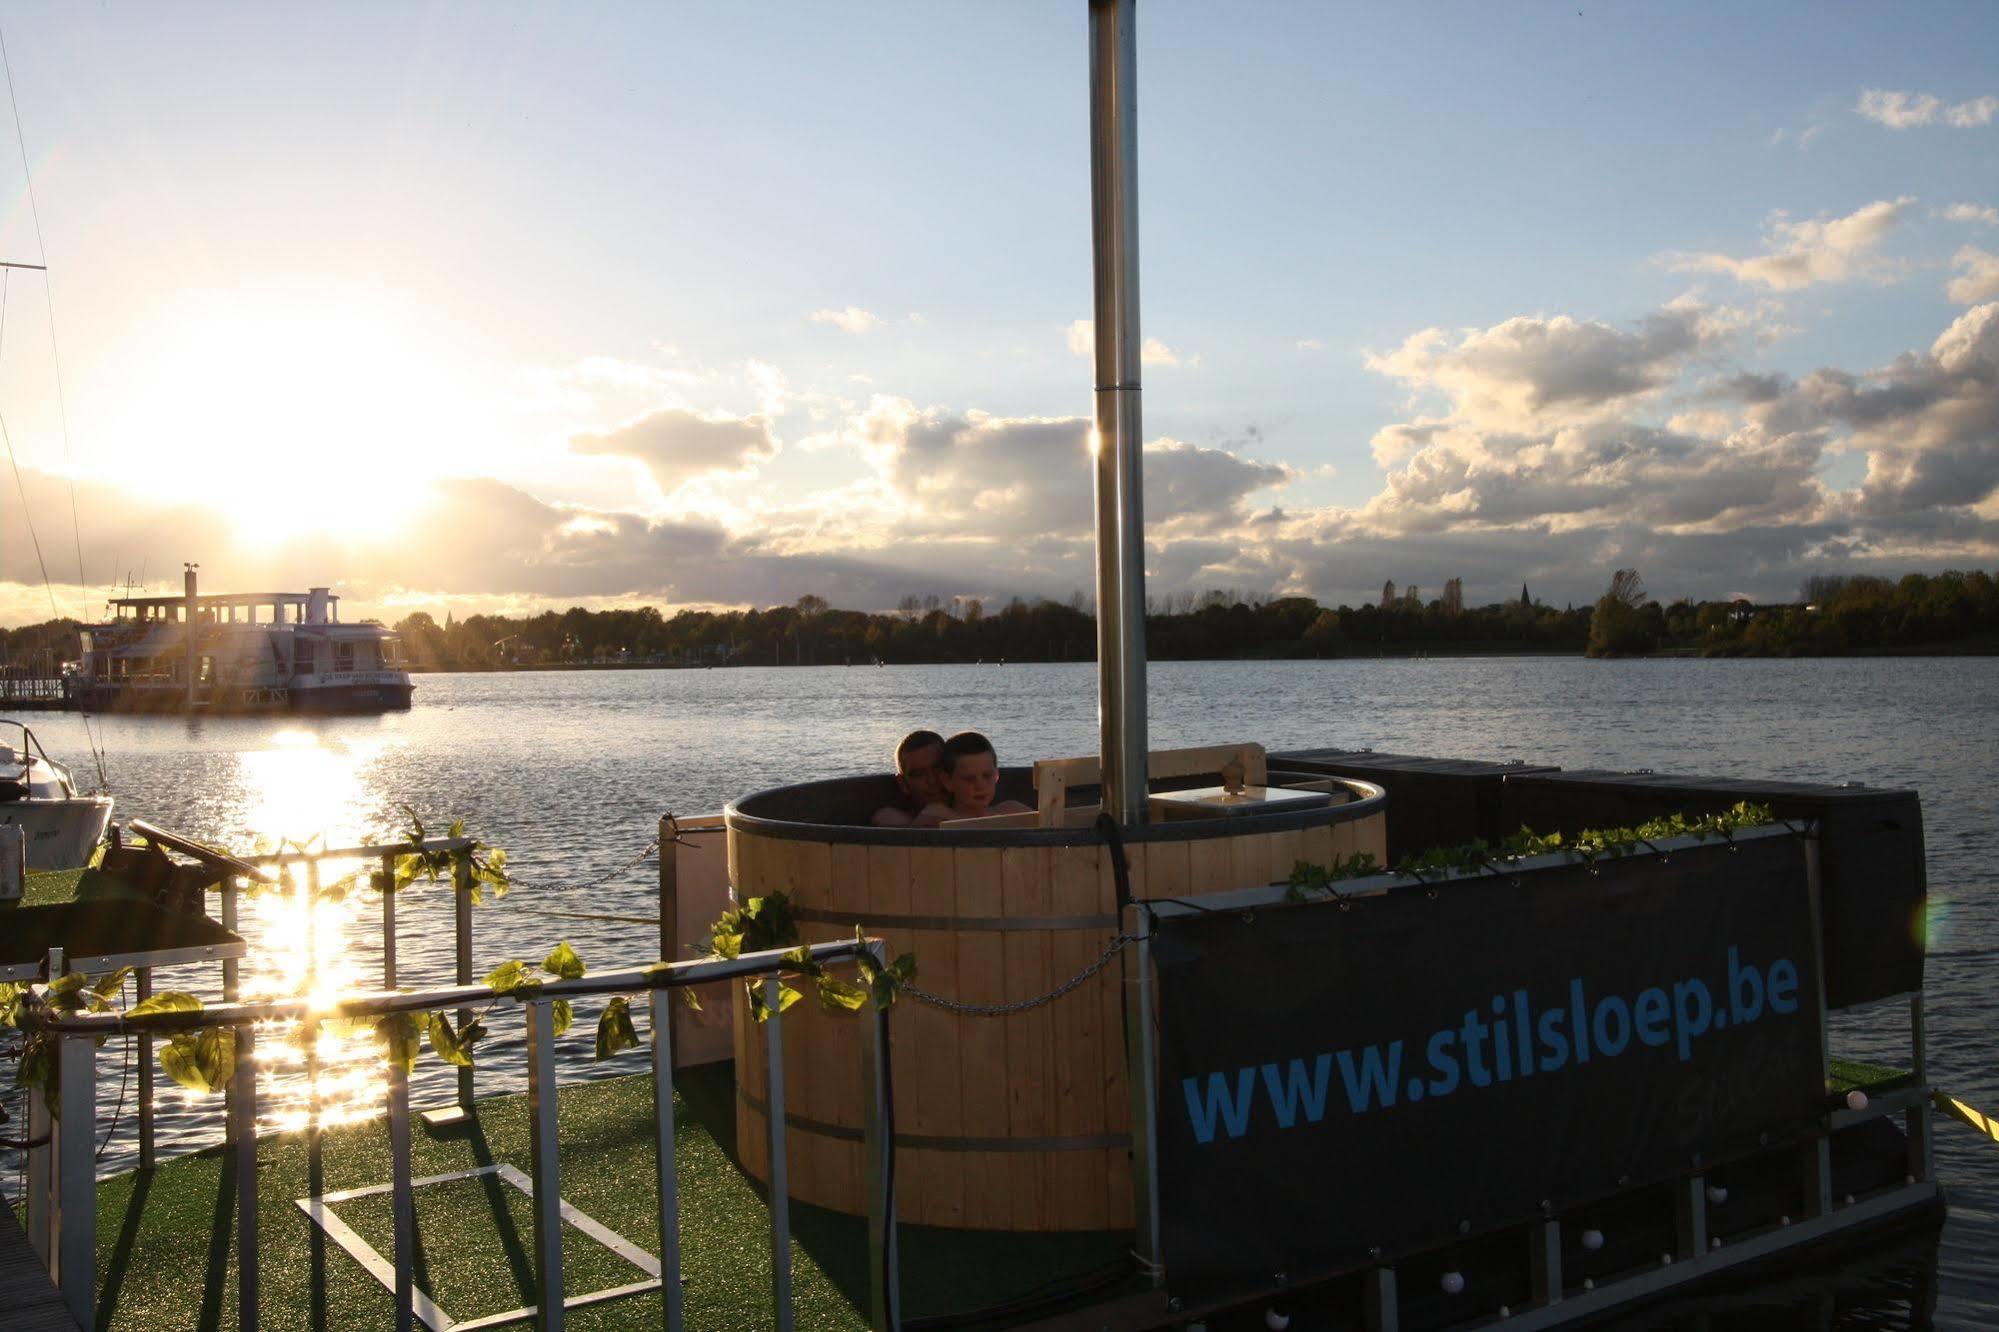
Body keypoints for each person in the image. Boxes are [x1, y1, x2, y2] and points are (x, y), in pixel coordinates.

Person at [917, 730, 1032, 823]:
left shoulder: (1012, 810)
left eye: (987, 776)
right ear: (947, 781)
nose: (980, 785)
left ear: (996, 775)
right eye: (969, 779)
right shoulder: (938, 814)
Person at [871, 730, 947, 827]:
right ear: (903, 784)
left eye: (938, 769)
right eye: (918, 774)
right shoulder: (892, 817)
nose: (932, 780)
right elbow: (884, 816)